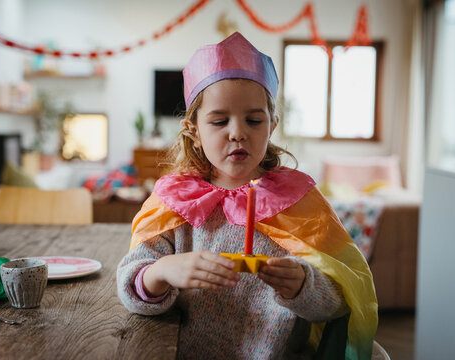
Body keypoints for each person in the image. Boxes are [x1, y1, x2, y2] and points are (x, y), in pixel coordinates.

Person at [117, 32, 377, 360]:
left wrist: (302, 285)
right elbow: (130, 286)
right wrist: (162, 271)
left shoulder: (301, 202)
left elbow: (341, 298)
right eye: (219, 120)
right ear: (194, 129)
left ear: (271, 126)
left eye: (254, 120)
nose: (238, 132)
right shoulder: (175, 201)